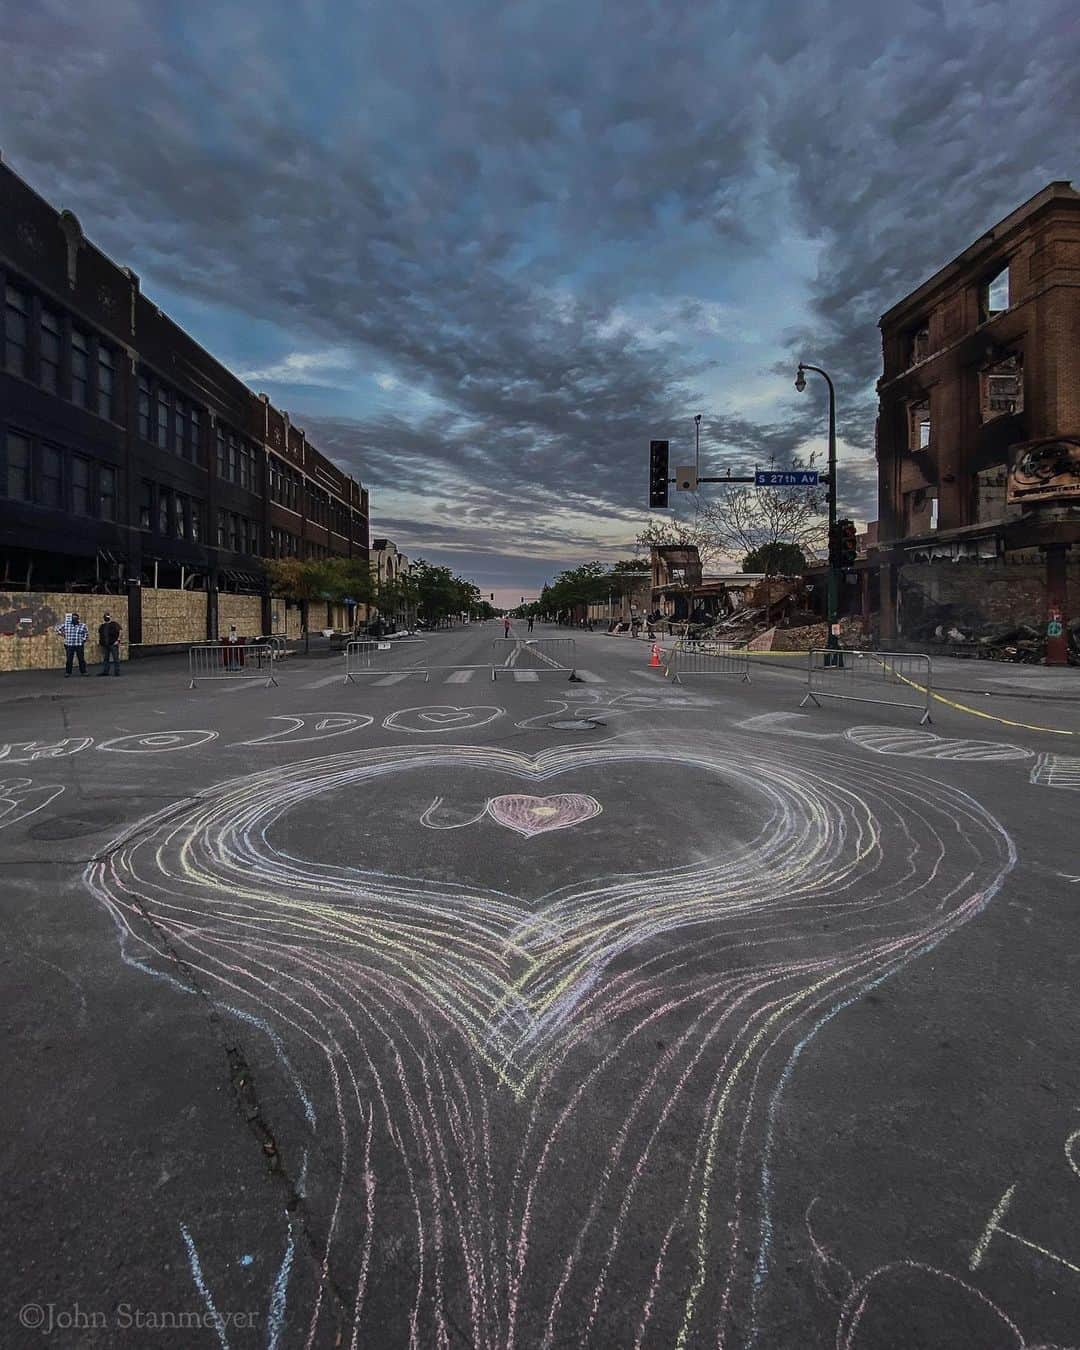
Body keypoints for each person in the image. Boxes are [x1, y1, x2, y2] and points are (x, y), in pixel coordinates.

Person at [55, 611, 89, 676]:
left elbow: (86, 634)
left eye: (76, 618)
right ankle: (68, 672)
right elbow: (57, 628)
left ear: (78, 619)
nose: (74, 619)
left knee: (81, 659)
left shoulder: (83, 625)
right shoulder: (66, 625)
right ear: (71, 619)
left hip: (79, 644)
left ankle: (83, 672)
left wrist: (83, 640)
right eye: (73, 618)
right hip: (69, 645)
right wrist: (62, 634)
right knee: (69, 659)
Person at [98, 610, 122, 676]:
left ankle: (117, 672)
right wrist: (101, 642)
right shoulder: (102, 626)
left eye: (107, 616)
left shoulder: (114, 624)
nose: (106, 618)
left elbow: (120, 632)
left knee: (115, 658)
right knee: (105, 659)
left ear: (110, 617)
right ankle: (105, 671)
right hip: (105, 644)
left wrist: (118, 641)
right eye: (105, 616)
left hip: (113, 644)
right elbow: (100, 634)